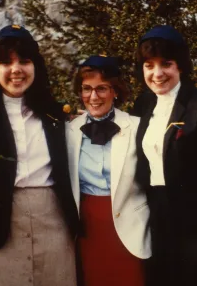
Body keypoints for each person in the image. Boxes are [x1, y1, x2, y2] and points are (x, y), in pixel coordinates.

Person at [0, 24, 79, 286]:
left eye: (24, 61)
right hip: (0, 224)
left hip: (53, 220)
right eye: (6, 62)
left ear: (36, 67)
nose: (16, 69)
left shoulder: (56, 115)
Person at [65, 55, 151, 286]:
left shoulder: (137, 126)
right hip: (88, 230)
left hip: (131, 227)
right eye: (86, 89)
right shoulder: (69, 131)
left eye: (101, 88)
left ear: (115, 91)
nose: (93, 97)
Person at [135, 24, 197, 286]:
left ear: (180, 65)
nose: (157, 74)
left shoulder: (194, 104)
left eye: (166, 64)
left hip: (191, 215)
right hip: (156, 211)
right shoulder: (144, 104)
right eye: (149, 65)